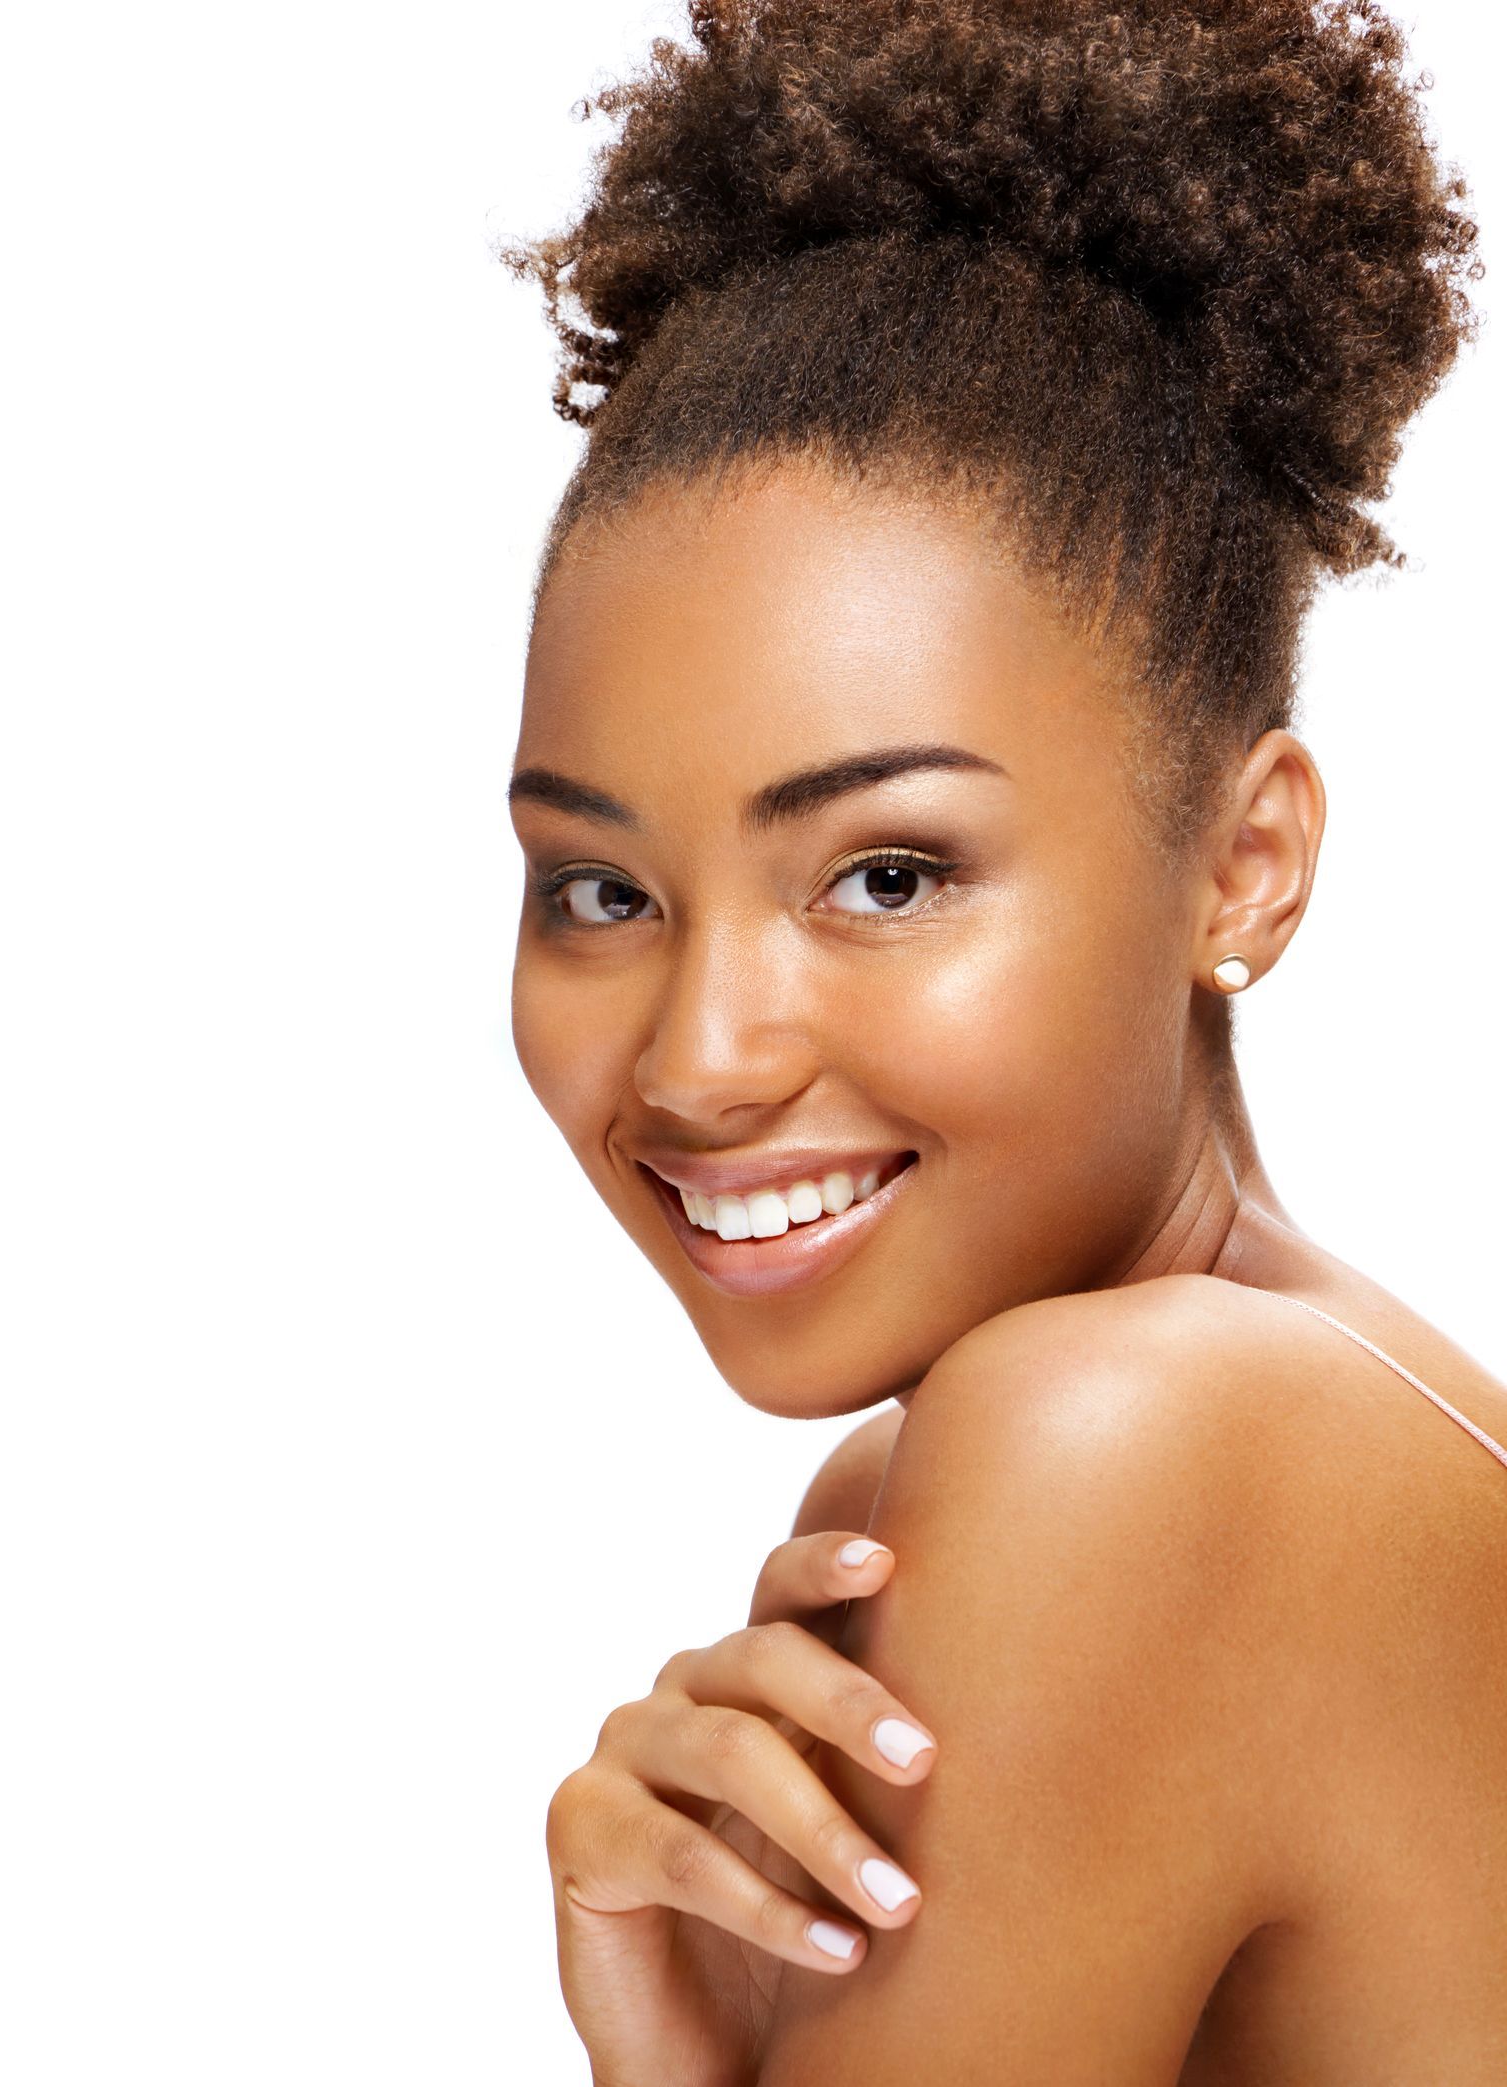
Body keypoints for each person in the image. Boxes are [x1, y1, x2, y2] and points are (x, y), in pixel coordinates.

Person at [497, 1, 1504, 2080]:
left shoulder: (1125, 1455)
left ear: (1243, 867)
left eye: (888, 875)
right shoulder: (1298, 1416)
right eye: (602, 891)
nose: (700, 1055)